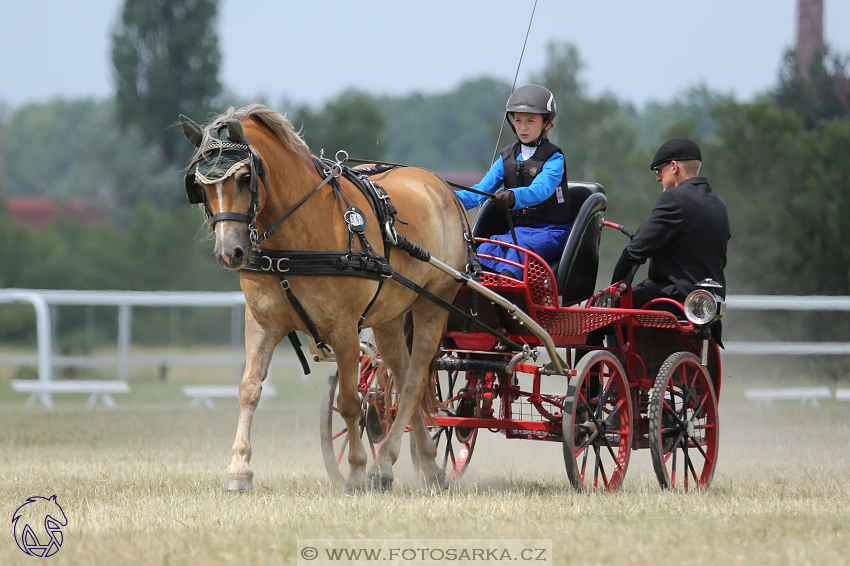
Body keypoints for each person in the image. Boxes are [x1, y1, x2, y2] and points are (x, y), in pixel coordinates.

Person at [456, 84, 571, 279]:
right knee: (484, 250)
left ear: (547, 123)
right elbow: (479, 192)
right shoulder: (506, 157)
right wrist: (444, 198)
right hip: (516, 234)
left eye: (530, 121)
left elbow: (540, 190)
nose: (523, 127)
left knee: (519, 252)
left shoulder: (554, 158)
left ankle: (510, 301)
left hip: (550, 233)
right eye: (518, 120)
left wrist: (511, 196)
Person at [610, 137, 730, 308]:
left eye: (658, 171)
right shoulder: (719, 204)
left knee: (602, 315)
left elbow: (635, 251)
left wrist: (613, 290)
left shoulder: (675, 197)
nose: (658, 178)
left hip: (675, 302)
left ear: (674, 167)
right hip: (708, 306)